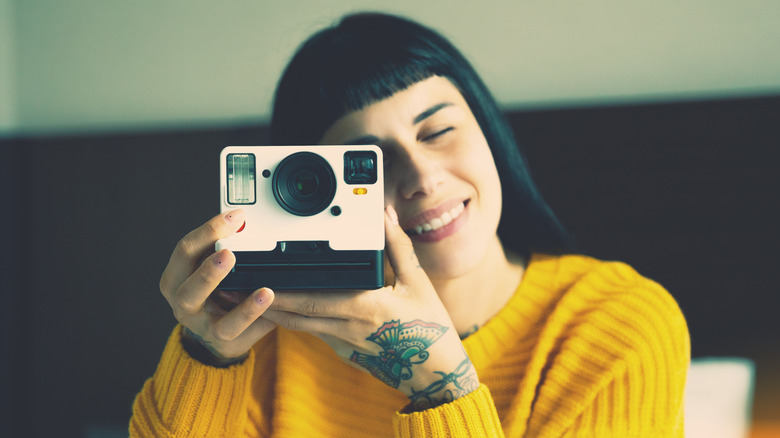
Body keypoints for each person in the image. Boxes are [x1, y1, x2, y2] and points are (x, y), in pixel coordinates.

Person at [130, 12, 689, 437]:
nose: (420, 177)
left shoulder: (616, 326)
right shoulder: (265, 328)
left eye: (437, 130)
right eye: (366, 163)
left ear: (488, 131)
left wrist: (441, 387)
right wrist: (208, 356)